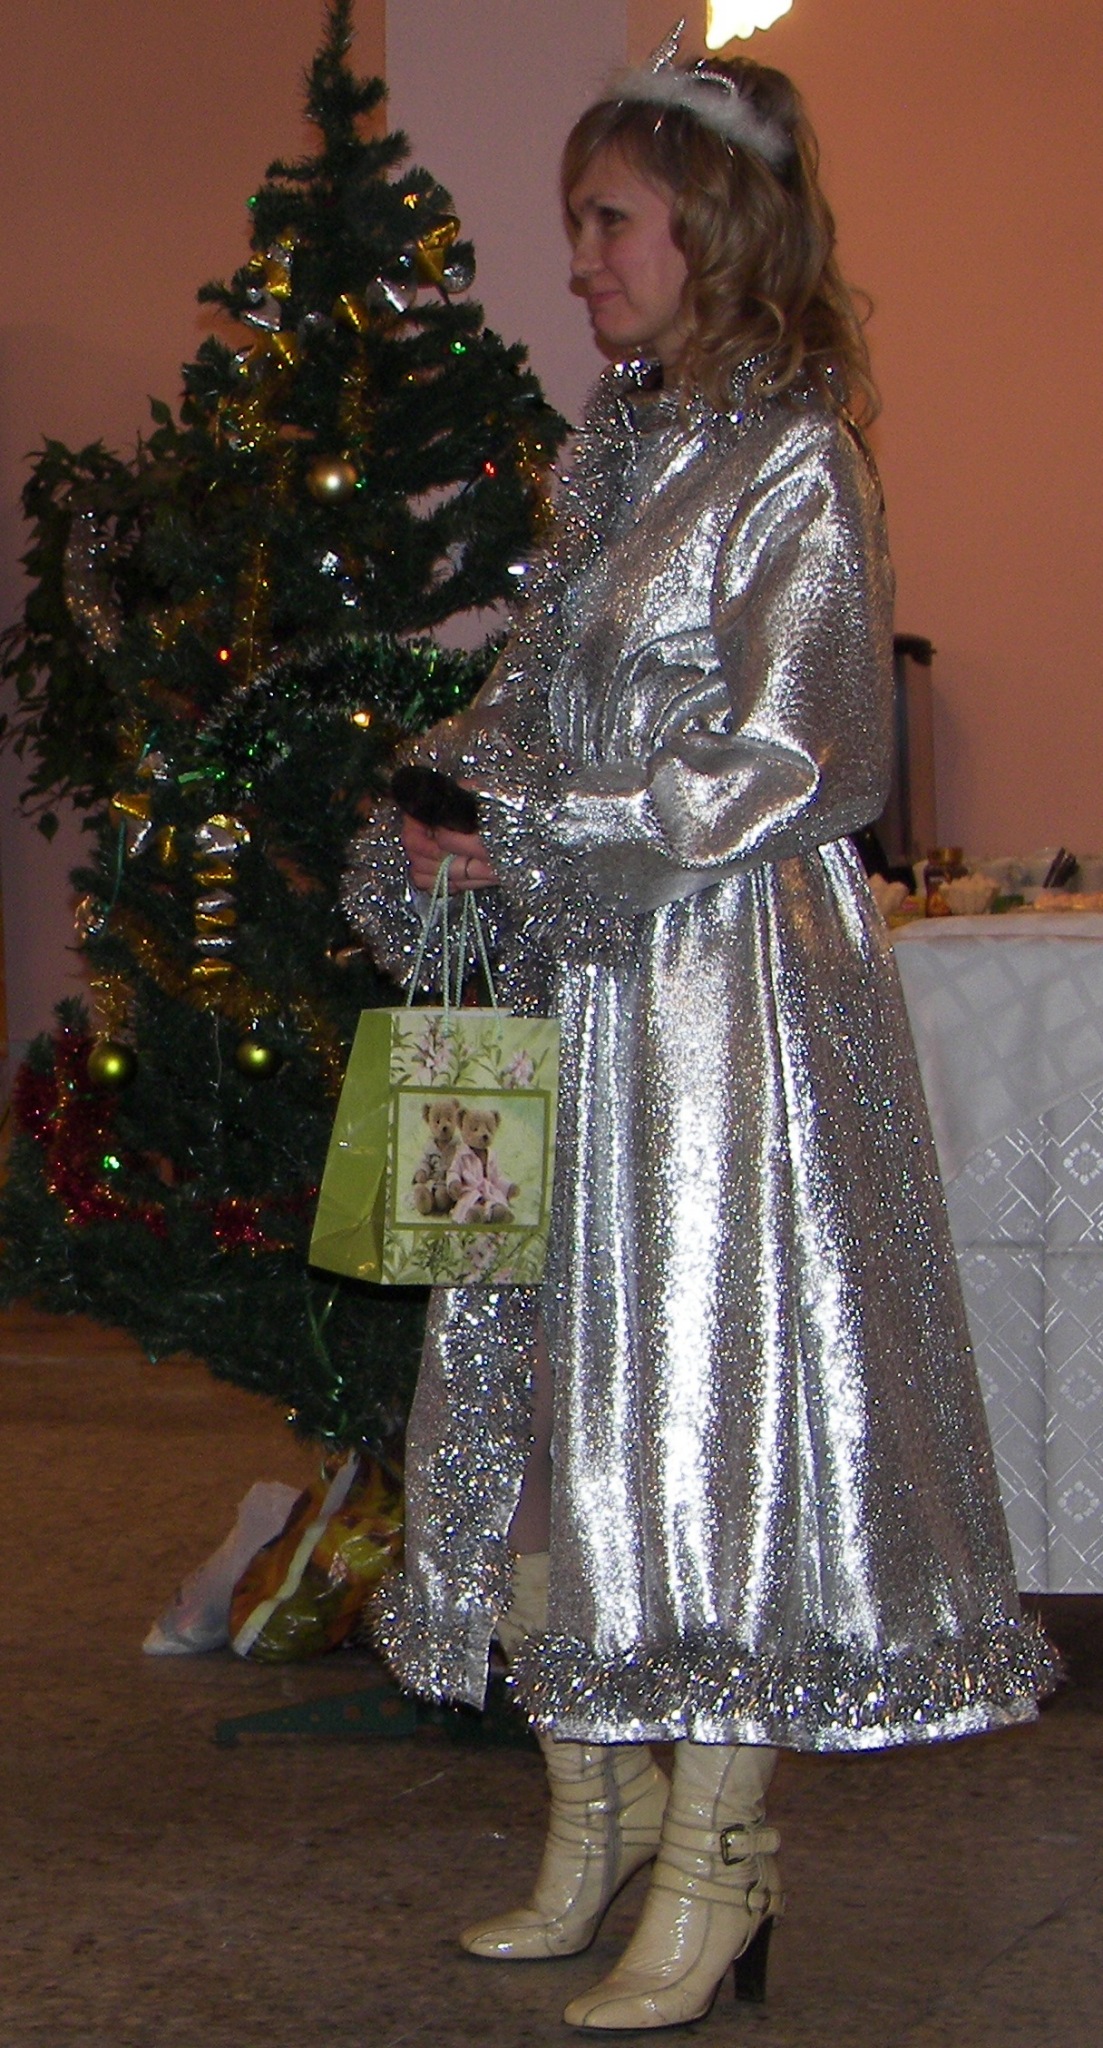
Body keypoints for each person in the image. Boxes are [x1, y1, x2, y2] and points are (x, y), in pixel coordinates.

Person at [343, 34, 1057, 2034]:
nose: (579, 260)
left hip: (714, 1000)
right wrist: (452, 793)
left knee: (693, 1415)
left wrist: (545, 823)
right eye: (577, 223)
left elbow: (801, 759)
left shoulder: (798, 459)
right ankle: (599, 1821)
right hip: (567, 989)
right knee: (544, 1404)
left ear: (714, 226)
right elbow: (543, 705)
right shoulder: (612, 449)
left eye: (609, 221)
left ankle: (721, 1864)